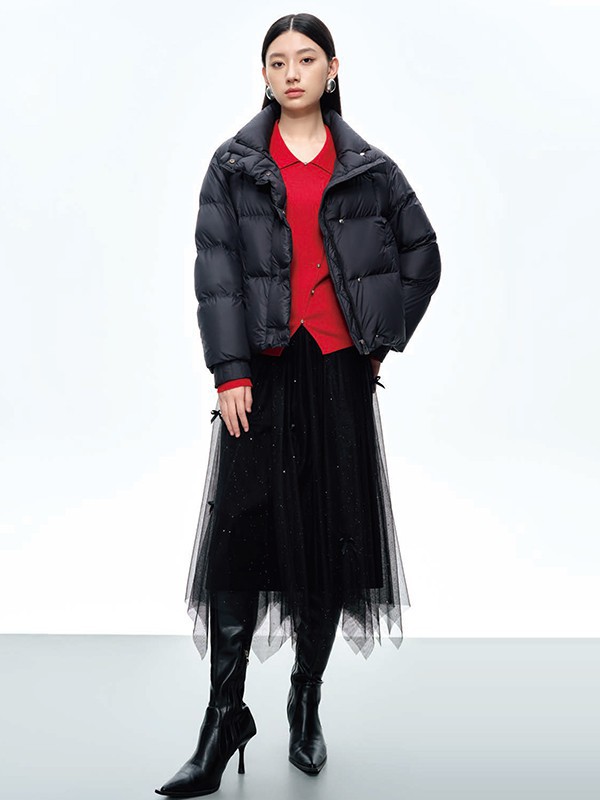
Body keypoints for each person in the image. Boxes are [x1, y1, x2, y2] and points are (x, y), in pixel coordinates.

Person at [155, 12, 441, 798]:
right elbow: (216, 269)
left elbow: (423, 254)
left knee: (329, 539)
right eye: (277, 61)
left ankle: (305, 701)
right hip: (262, 370)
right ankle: (223, 720)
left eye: (306, 59)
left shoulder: (369, 168)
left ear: (331, 69)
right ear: (264, 75)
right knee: (238, 542)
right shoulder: (234, 165)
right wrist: (229, 371)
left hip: (337, 370)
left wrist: (377, 338)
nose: (291, 73)